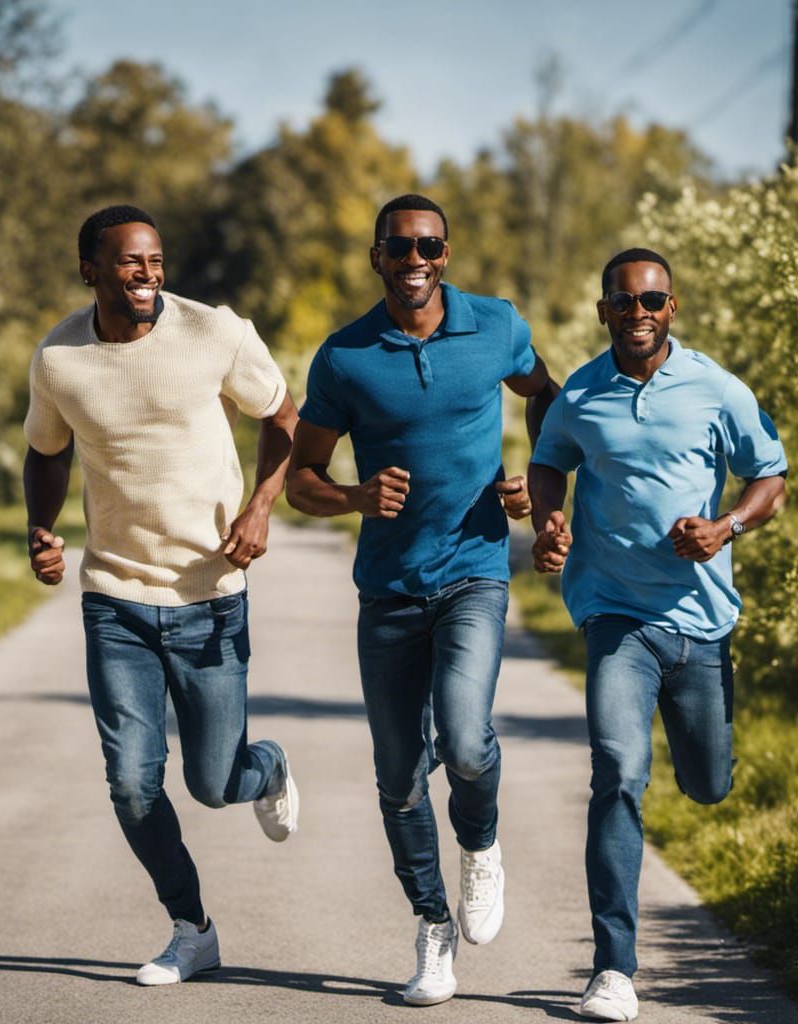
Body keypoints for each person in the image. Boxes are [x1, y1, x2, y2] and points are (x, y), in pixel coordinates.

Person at [286, 193, 558, 1006]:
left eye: (429, 247)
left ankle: (480, 845)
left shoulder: (497, 326)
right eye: (398, 247)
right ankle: (432, 928)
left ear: (447, 254)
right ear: (377, 256)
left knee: (468, 744)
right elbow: (302, 480)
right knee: (400, 775)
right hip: (390, 594)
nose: (415, 260)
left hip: (475, 574)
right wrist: (357, 499)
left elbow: (548, 395)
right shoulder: (344, 358)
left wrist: (535, 492)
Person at [23, 204, 299, 987]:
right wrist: (39, 530)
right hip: (115, 598)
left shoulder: (215, 333)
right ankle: (191, 927)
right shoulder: (59, 358)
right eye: (128, 262)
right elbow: (46, 450)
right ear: (90, 270)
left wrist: (261, 506)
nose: (147, 274)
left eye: (155, 261)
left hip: (209, 594)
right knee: (132, 782)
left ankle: (268, 766)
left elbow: (282, 415)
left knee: (213, 784)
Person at [528, 248, 787, 1021]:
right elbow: (549, 462)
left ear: (671, 307)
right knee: (616, 769)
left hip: (701, 625)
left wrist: (725, 527)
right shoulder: (581, 392)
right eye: (624, 301)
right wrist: (549, 519)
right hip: (616, 619)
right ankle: (613, 969)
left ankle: (705, 764)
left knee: (707, 784)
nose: (638, 313)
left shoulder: (716, 389)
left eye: (653, 300)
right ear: (604, 309)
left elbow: (769, 476)